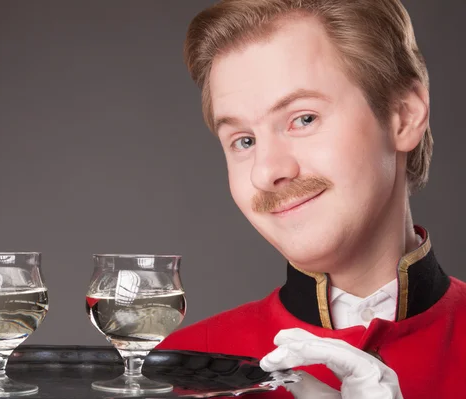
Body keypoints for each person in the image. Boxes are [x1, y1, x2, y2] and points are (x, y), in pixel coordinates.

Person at [156, 0, 466, 398]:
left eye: (304, 119)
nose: (266, 172)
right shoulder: (172, 376)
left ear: (403, 116)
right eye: (244, 141)